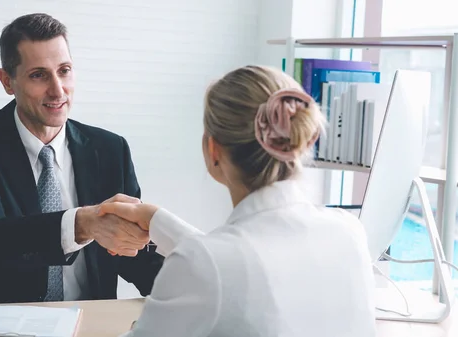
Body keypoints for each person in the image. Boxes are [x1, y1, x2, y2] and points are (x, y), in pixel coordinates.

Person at [100, 66, 377, 336]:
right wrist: (157, 220)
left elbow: (219, 266)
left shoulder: (206, 264)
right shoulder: (349, 231)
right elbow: (235, 261)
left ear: (212, 149)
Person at [0, 13, 163, 305]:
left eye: (64, 70)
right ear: (7, 81)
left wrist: (198, 282)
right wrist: (81, 224)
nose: (57, 90)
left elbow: (131, 255)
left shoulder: (109, 149)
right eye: (38, 75)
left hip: (89, 323)